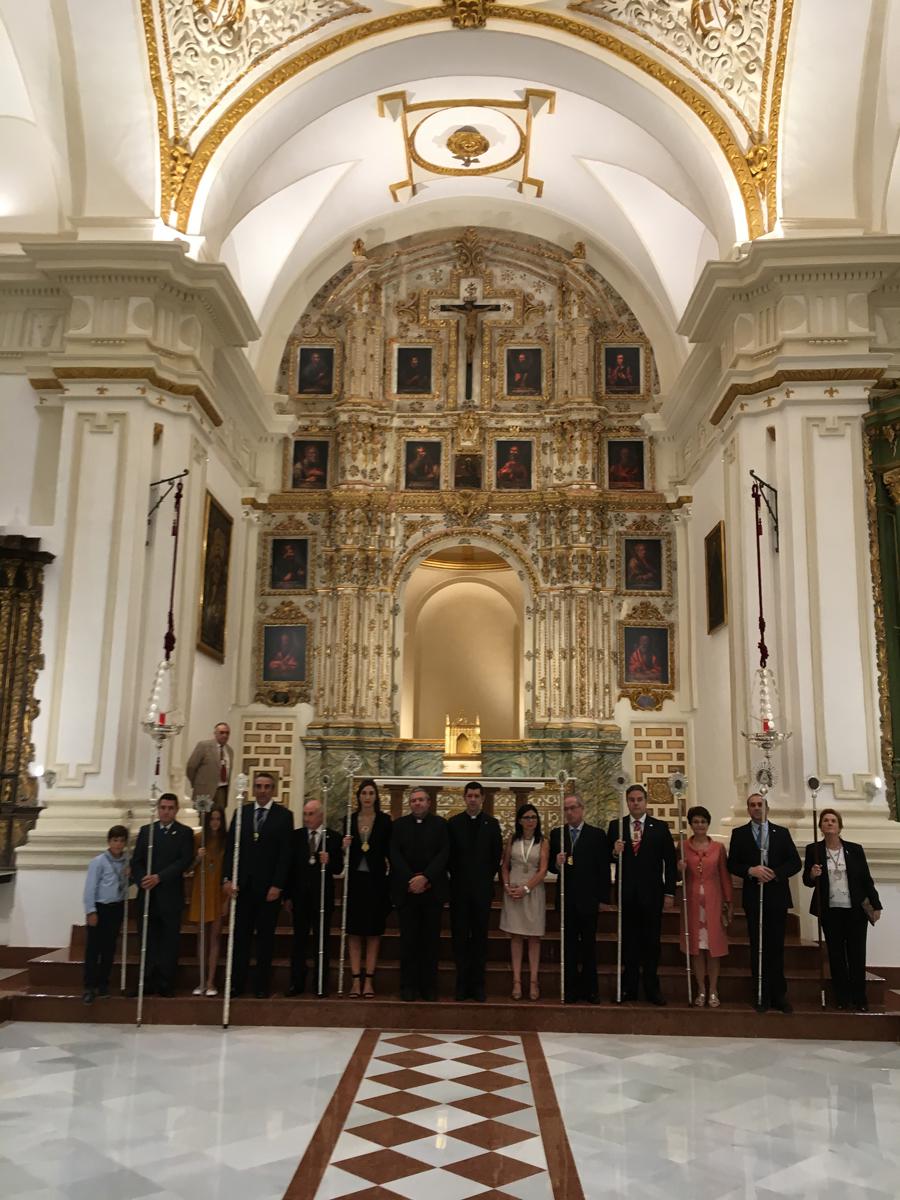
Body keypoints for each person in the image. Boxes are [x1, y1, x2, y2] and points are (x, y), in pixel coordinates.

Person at [727, 793, 801, 1013]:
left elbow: (794, 862)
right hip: (753, 896)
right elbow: (732, 863)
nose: (757, 808)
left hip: (776, 896)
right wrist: (751, 870)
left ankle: (779, 994)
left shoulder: (781, 833)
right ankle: (761, 993)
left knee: (776, 946)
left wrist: (774, 874)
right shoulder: (739, 834)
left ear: (767, 808)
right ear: (748, 809)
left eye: (760, 805)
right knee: (758, 945)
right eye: (752, 805)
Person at [223, 772, 294, 998]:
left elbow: (285, 855)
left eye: (267, 786)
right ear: (253, 789)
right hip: (242, 888)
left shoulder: (284, 816)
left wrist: (278, 885)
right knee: (240, 938)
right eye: (259, 786)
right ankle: (236, 984)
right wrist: (227, 878)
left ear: (274, 790)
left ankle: (262, 985)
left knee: (265, 940)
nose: (262, 790)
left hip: (268, 890)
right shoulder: (240, 812)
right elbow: (230, 848)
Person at [803, 807, 882, 1011]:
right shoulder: (814, 850)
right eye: (826, 821)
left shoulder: (855, 849)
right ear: (820, 826)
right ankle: (842, 997)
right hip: (830, 911)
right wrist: (812, 874)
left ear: (839, 826)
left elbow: (866, 879)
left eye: (833, 821)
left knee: (857, 954)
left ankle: (859, 998)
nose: (829, 823)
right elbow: (807, 882)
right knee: (836, 955)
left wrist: (876, 905)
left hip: (855, 910)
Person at [609, 784, 676, 1005]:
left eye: (639, 799)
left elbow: (670, 861)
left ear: (646, 801)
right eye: (631, 799)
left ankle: (651, 987)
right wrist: (614, 852)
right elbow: (606, 860)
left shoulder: (660, 827)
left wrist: (669, 892)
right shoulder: (616, 827)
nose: (635, 803)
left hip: (652, 894)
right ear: (626, 802)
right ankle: (629, 987)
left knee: (651, 943)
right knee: (629, 943)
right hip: (627, 894)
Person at [131, 793, 194, 997]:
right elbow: (137, 861)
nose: (166, 811)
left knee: (169, 941)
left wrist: (159, 877)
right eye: (163, 807)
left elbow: (183, 861)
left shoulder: (184, 833)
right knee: (148, 940)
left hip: (170, 895)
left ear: (176, 810)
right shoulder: (146, 831)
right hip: (148, 895)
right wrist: (143, 878)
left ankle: (166, 982)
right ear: (158, 809)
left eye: (170, 808)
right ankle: (147, 980)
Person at [390, 786, 449, 1001]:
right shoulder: (398, 826)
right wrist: (410, 879)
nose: (417, 803)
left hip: (431, 892)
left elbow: (444, 853)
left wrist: (426, 878)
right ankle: (408, 986)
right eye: (414, 800)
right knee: (408, 941)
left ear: (429, 802)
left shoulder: (441, 825)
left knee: (430, 942)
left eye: (421, 800)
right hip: (406, 892)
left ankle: (429, 987)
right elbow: (394, 853)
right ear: (409, 803)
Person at [550, 792, 610, 1004]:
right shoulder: (557, 834)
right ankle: (571, 989)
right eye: (566, 809)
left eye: (573, 808)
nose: (569, 812)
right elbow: (551, 867)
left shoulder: (596, 834)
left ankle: (591, 989)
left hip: (589, 900)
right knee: (569, 948)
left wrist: (604, 898)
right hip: (567, 900)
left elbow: (603, 868)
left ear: (582, 809)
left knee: (588, 947)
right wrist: (557, 863)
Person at [448, 781, 503, 1002]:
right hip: (459, 890)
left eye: (476, 796)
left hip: (481, 890)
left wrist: (482, 879)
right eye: (469, 795)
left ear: (482, 799)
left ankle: (478, 985)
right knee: (460, 938)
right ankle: (462, 984)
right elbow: (449, 856)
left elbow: (495, 855)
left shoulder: (492, 823)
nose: (472, 799)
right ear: (464, 798)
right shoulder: (453, 823)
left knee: (480, 939)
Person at [287, 798, 344, 997]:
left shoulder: (333, 838)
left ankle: (320, 983)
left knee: (322, 942)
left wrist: (329, 861)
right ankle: (296, 982)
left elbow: (339, 868)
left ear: (321, 815)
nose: (307, 818)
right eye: (305, 814)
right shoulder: (295, 837)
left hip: (322, 899)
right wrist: (287, 896)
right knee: (299, 942)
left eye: (311, 814)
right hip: (299, 897)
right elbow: (289, 868)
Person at [678, 805, 733, 1008]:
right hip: (692, 904)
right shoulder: (683, 846)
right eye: (695, 821)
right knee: (697, 949)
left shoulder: (718, 848)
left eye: (703, 821)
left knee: (713, 949)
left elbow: (724, 876)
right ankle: (701, 988)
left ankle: (713, 990)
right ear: (691, 824)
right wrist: (679, 869)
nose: (699, 825)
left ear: (708, 824)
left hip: (713, 902)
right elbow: (678, 877)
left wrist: (728, 901)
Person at [342, 778, 392, 998]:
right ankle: (354, 980)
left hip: (376, 882)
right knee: (354, 932)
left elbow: (390, 851)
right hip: (355, 881)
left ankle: (369, 980)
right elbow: (339, 853)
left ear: (376, 797)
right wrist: (343, 846)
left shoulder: (385, 821)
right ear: (359, 796)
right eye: (364, 793)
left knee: (373, 932)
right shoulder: (348, 820)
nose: (367, 797)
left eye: (371, 793)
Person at [500, 803, 549, 1001]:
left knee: (534, 937)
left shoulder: (543, 841)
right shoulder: (512, 839)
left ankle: (534, 982)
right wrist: (506, 886)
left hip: (533, 891)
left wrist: (526, 888)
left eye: (534, 817)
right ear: (520, 820)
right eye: (527, 817)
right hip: (513, 892)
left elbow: (543, 870)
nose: (531, 821)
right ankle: (517, 981)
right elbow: (504, 866)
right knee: (516, 937)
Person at [82, 824, 129, 1005]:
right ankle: (89, 986)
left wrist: (129, 877)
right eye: (115, 840)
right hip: (100, 908)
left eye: (121, 841)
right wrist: (91, 910)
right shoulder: (99, 862)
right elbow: (90, 888)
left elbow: (123, 886)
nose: (118, 844)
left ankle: (103, 984)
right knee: (94, 949)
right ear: (109, 842)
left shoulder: (126, 861)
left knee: (109, 949)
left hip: (115, 908)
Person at [187, 804, 227, 997]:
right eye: (212, 819)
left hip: (218, 893)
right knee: (201, 938)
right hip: (201, 891)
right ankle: (201, 979)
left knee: (215, 937)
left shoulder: (226, 842)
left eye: (218, 819)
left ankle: (211, 981)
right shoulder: (198, 839)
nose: (215, 823)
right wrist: (197, 857)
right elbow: (187, 868)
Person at [185, 722, 233, 808]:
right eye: (222, 732)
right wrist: (196, 783)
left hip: (222, 791)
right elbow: (191, 767)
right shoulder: (204, 746)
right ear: (215, 733)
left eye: (227, 733)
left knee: (218, 818)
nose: (225, 735)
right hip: (204, 791)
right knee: (202, 818)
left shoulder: (230, 751)